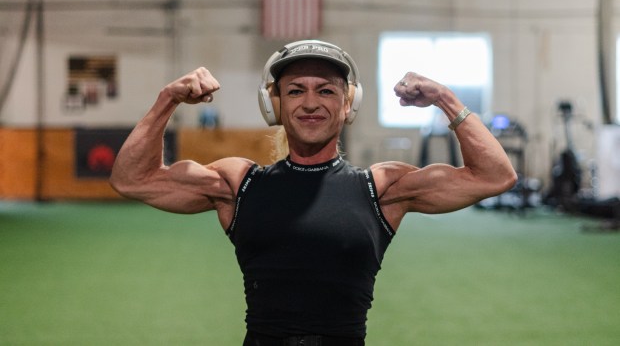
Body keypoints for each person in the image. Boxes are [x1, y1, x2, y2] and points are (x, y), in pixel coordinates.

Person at [110, 40, 517, 346]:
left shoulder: (382, 188)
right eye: (295, 90)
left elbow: (494, 177)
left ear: (347, 105)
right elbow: (133, 179)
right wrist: (167, 100)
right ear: (274, 106)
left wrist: (446, 99)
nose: (310, 103)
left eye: (325, 90)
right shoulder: (239, 185)